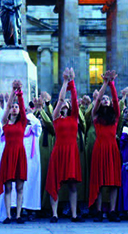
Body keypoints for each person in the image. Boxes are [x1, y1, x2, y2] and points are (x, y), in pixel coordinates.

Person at [46, 68, 83, 223]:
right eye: (62, 104)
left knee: (73, 185)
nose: (64, 104)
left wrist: (72, 83)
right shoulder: (56, 118)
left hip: (71, 151)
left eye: (67, 104)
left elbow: (73, 98)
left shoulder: (74, 117)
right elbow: (61, 99)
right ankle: (55, 214)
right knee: (54, 181)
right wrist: (65, 82)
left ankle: (74, 214)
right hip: (59, 151)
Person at [88, 70, 121, 222]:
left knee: (114, 181)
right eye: (103, 100)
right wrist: (105, 84)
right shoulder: (96, 115)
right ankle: (100, 211)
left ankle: (113, 211)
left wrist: (112, 85)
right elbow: (98, 98)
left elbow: (115, 100)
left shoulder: (115, 116)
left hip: (112, 149)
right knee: (100, 181)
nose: (106, 100)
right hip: (100, 149)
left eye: (107, 99)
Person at [0, 80, 28, 224]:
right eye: (12, 107)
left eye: (16, 107)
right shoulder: (5, 122)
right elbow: (8, 105)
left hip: (20, 154)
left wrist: (20, 94)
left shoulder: (22, 122)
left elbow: (22, 108)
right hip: (8, 154)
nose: (14, 108)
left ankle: (19, 215)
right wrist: (12, 91)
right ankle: (8, 215)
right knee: (8, 186)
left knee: (20, 186)